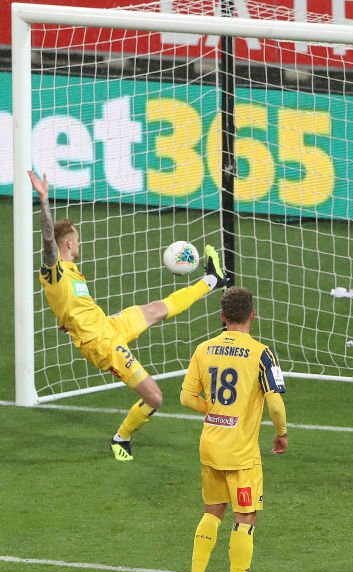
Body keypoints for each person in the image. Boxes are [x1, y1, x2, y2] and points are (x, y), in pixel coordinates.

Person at [28, 170, 228, 461]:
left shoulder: (71, 273)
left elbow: (70, 306)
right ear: (69, 244)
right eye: (78, 240)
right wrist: (44, 200)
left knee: (158, 309)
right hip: (104, 346)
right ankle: (121, 437)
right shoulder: (54, 270)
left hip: (108, 325)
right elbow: (48, 241)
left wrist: (68, 321)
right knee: (155, 397)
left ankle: (213, 280)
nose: (79, 245)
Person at [179, 287, 288, 572]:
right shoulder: (261, 353)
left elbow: (186, 397)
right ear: (252, 314)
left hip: (210, 446)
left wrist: (213, 410)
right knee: (245, 516)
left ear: (222, 317)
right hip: (241, 454)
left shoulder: (203, 348)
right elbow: (276, 403)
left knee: (212, 512)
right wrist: (280, 433)